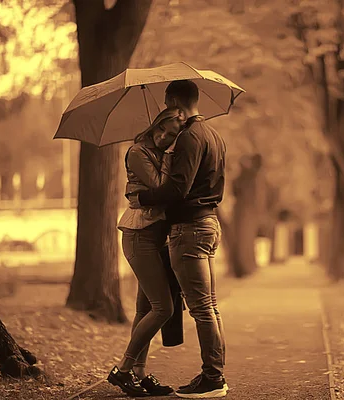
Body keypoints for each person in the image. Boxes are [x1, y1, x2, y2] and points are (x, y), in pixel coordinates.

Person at [131, 80, 228, 399]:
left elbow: (178, 189)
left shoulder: (189, 137)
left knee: (202, 308)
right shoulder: (214, 135)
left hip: (191, 228)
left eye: (167, 104)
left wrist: (142, 197)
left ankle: (213, 379)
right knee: (208, 306)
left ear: (174, 101)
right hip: (209, 222)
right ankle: (214, 375)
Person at [107, 107, 186, 397]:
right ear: (155, 125)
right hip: (139, 236)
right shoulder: (138, 152)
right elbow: (161, 187)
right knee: (163, 308)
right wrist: (170, 155)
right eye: (162, 130)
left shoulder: (159, 152)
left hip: (155, 237)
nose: (164, 137)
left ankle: (138, 373)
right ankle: (123, 370)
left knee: (145, 309)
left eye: (172, 135)